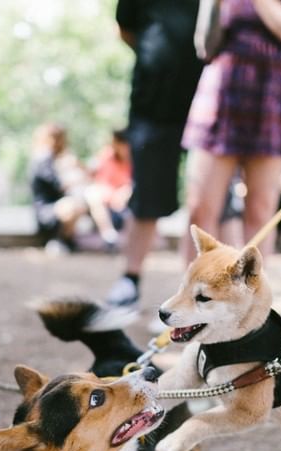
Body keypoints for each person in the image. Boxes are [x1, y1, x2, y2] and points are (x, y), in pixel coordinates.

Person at [180, 0, 281, 263]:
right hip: (222, 86)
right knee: (199, 208)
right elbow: (204, 45)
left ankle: (252, 301)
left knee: (260, 209)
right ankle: (192, 296)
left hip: (272, 90)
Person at [104, 0, 205, 308]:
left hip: (206, 106)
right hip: (152, 106)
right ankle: (130, 279)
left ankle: (199, 291)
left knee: (207, 201)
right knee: (146, 196)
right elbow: (125, 28)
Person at [30, 123, 87, 254]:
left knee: (79, 204)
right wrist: (78, 177)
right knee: (73, 206)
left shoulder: (53, 158)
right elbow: (58, 185)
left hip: (54, 207)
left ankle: (67, 240)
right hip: (46, 212)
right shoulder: (43, 159)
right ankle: (58, 239)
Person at [85, 129, 133, 249]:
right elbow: (99, 181)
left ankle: (132, 241)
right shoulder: (107, 156)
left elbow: (137, 182)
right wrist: (113, 196)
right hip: (107, 201)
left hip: (127, 202)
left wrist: (125, 191)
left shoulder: (135, 158)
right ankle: (109, 235)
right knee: (92, 193)